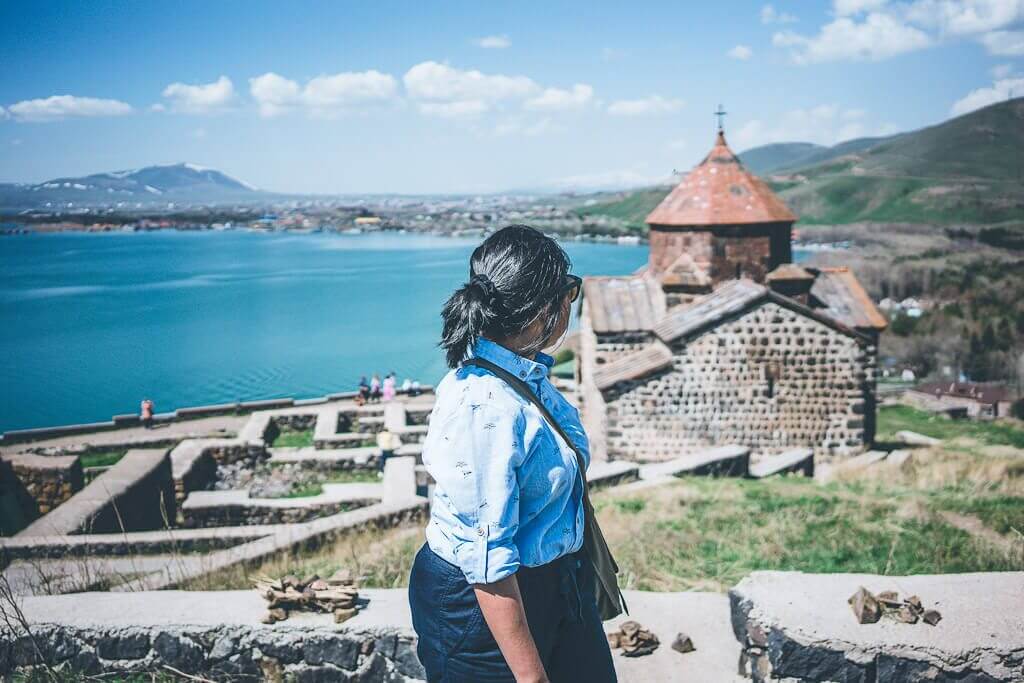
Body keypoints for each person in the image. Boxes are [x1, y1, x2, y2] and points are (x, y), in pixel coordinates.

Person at [408, 225, 613, 683]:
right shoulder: (484, 407)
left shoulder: (524, 377)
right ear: (546, 308)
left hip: (553, 579)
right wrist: (531, 677)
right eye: (570, 292)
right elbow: (485, 557)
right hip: (486, 604)